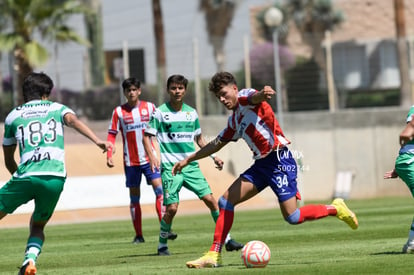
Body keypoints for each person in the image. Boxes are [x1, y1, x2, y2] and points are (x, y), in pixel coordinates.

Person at [172, 71, 359, 268]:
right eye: (218, 97)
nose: (222, 99)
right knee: (225, 201)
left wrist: (263, 93)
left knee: (293, 217)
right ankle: (214, 254)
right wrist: (188, 159)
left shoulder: (245, 97)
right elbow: (216, 144)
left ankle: (335, 208)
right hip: (261, 165)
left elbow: (254, 97)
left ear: (234, 89)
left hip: (280, 160)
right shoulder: (234, 121)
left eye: (224, 93)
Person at [0, 72, 113, 275]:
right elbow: (73, 121)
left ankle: (29, 262)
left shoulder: (13, 116)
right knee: (38, 225)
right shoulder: (57, 108)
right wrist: (97, 140)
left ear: (24, 94)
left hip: (26, 176)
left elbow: (8, 159)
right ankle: (29, 261)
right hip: (55, 177)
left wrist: (22, 180)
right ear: (45, 94)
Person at [143, 74, 243, 256]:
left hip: (191, 167)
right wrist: (152, 156)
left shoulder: (191, 113)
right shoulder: (160, 112)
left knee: (211, 201)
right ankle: (162, 245)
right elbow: (146, 136)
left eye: (180, 88)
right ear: (168, 90)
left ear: (185, 90)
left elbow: (199, 140)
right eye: (173, 88)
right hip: (171, 168)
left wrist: (214, 157)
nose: (177, 91)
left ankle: (227, 239)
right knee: (172, 208)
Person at [106, 77, 176, 244]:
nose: (131, 93)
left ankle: (166, 228)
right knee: (134, 198)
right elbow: (111, 134)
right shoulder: (118, 112)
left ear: (139, 91)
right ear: (124, 93)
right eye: (128, 90)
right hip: (131, 161)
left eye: (134, 90)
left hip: (149, 159)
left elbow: (162, 125)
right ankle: (138, 235)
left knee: (160, 191)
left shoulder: (150, 107)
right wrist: (109, 154)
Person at [384, 105, 414, 253]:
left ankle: (412, 243)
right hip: (410, 161)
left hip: (407, 161)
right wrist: (407, 133)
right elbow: (408, 132)